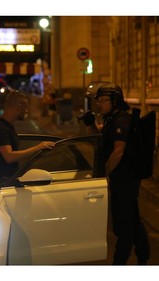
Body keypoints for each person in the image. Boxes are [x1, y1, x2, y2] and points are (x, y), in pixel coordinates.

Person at [80, 82, 150, 265]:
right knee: (132, 219)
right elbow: (98, 138)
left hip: (126, 178)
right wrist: (90, 124)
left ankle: (119, 263)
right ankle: (143, 256)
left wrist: (106, 174)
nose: (100, 104)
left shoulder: (122, 120)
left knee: (123, 224)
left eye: (104, 100)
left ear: (115, 101)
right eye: (99, 100)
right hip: (122, 178)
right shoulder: (112, 119)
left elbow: (118, 151)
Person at [0, 90, 55, 190]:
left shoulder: (7, 127)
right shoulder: (1, 129)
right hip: (3, 185)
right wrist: (38, 147)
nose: (27, 111)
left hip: (8, 182)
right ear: (18, 107)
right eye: (25, 107)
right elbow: (9, 157)